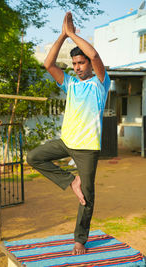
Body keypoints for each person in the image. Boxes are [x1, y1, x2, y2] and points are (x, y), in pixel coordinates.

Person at [27, 12, 110, 255]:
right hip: (66, 142)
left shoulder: (100, 83)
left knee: (87, 196)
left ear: (89, 66)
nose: (76, 68)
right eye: (74, 64)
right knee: (34, 158)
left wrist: (73, 34)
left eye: (80, 64)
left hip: (87, 149)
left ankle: (80, 240)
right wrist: (63, 35)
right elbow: (48, 64)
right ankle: (70, 180)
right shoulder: (70, 83)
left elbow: (95, 55)